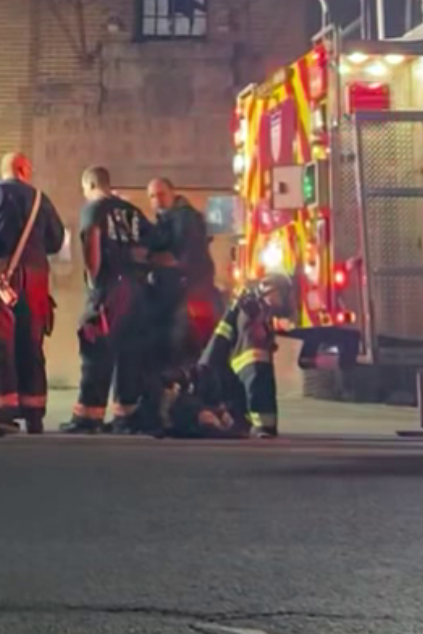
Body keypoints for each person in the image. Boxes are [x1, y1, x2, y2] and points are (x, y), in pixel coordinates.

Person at [0, 153, 66, 432]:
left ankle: (3, 409)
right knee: (32, 343)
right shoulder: (40, 199)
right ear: (23, 169)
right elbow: (56, 241)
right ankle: (34, 412)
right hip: (35, 279)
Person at [62, 167, 158, 434]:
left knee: (96, 348)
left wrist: (95, 282)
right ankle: (126, 415)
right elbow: (152, 247)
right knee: (129, 353)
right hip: (136, 291)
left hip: (109, 289)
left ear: (91, 184)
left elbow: (92, 244)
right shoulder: (133, 212)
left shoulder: (94, 209)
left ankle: (88, 416)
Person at [193, 273, 297, 439]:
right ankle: (258, 424)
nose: (287, 300)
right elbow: (255, 372)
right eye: (284, 294)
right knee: (257, 373)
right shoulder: (252, 315)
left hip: (221, 376)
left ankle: (240, 420)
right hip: (224, 377)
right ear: (271, 292)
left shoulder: (248, 309)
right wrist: (264, 427)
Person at [146, 178, 220, 373]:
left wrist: (147, 258)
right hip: (184, 293)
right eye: (152, 196)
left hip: (189, 294)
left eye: (161, 194)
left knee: (181, 350)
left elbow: (180, 257)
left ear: (173, 193)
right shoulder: (168, 219)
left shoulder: (184, 218)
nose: (157, 200)